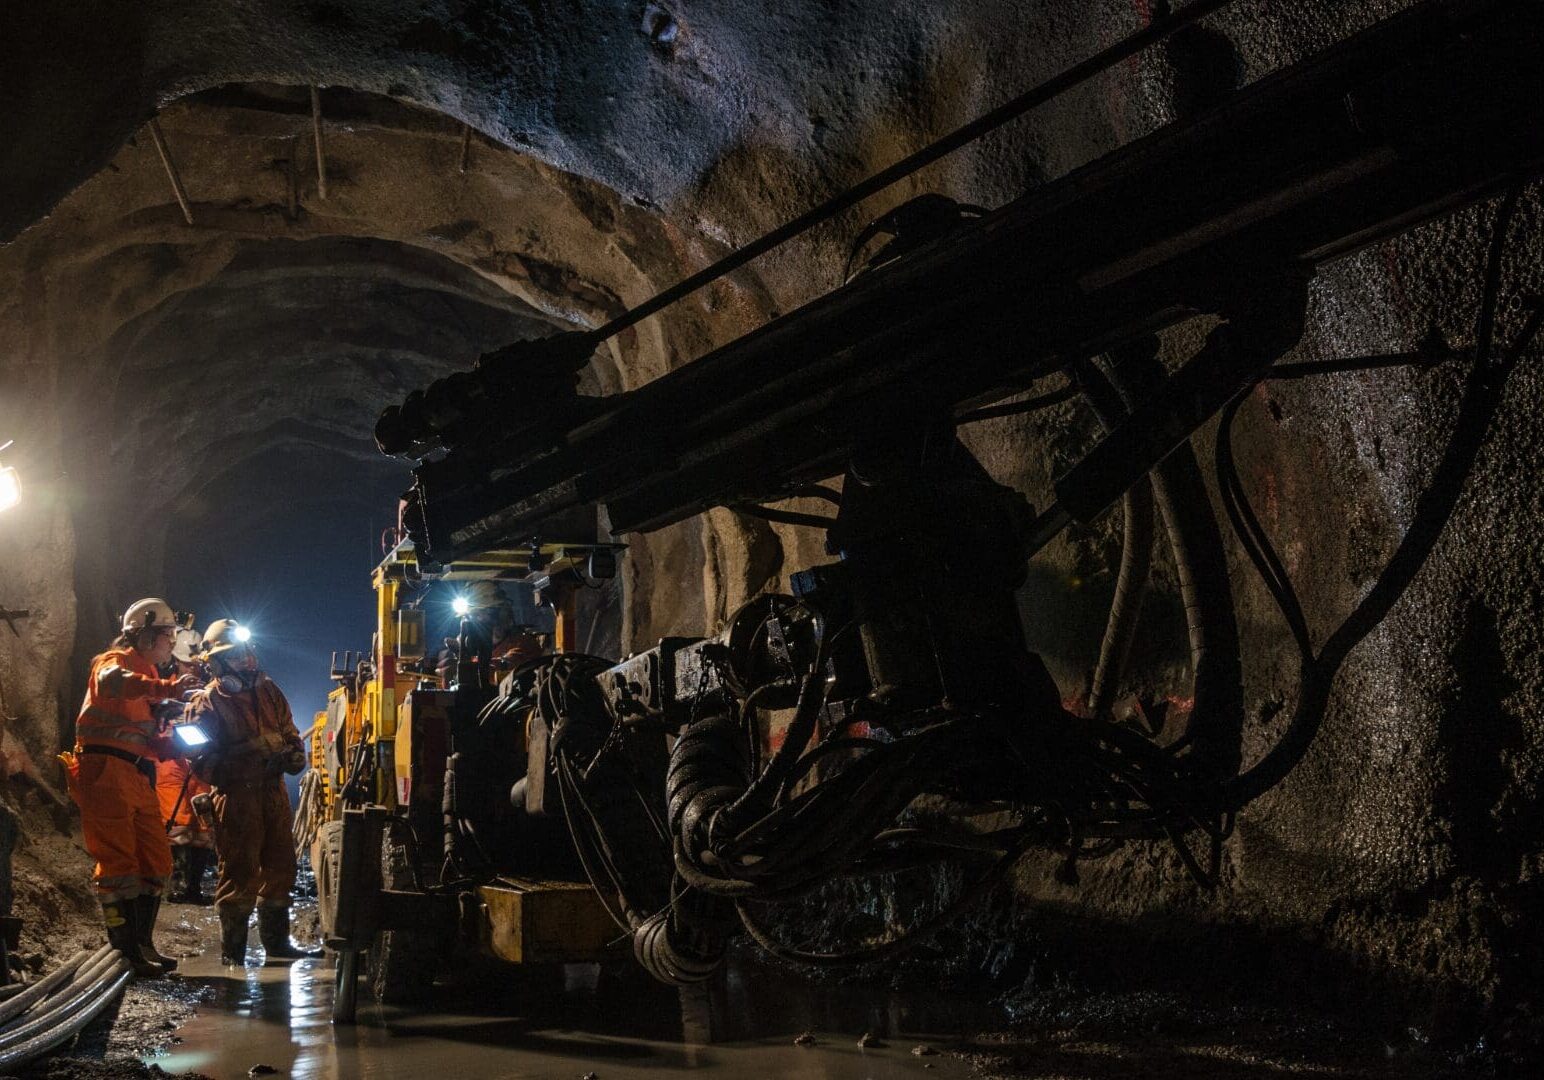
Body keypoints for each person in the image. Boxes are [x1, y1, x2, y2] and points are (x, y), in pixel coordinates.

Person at [61, 598, 201, 977]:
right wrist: (167, 689)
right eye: (167, 634)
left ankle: (143, 944)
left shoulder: (150, 679)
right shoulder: (114, 662)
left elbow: (149, 742)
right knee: (119, 863)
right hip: (104, 770)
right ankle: (124, 951)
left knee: (156, 861)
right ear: (144, 634)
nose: (172, 641)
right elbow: (113, 684)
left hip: (136, 774)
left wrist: (187, 746)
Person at [183, 619, 314, 965]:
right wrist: (252, 753)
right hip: (235, 797)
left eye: (247, 653)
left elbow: (290, 732)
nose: (247, 662)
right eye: (237, 656)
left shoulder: (270, 692)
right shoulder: (205, 704)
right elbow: (201, 763)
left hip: (273, 793)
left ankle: (277, 946)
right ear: (216, 663)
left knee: (280, 864)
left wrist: (293, 753)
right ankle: (234, 955)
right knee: (238, 872)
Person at [154, 625, 215, 904]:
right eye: (184, 662)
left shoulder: (212, 686)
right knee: (176, 822)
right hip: (172, 760)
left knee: (203, 823)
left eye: (193, 662)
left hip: (203, 759)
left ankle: (193, 886)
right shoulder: (164, 682)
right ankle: (175, 884)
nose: (190, 667)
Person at [436, 580, 543, 688]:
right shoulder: (467, 645)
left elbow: (507, 666)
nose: (476, 620)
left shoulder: (525, 643)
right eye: (472, 615)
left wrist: (466, 666)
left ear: (501, 613)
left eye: (481, 613)